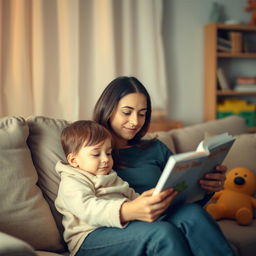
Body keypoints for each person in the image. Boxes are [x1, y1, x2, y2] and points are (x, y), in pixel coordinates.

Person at [75, 76, 234, 256]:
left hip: (158, 218)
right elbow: (81, 203)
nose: (135, 121)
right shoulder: (88, 150)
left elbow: (182, 191)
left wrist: (206, 187)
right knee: (163, 233)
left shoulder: (155, 149)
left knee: (193, 214)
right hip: (101, 230)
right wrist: (129, 210)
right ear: (107, 109)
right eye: (127, 112)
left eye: (142, 114)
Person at [55, 120, 141, 256]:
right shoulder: (71, 182)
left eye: (108, 153)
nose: (106, 159)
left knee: (168, 224)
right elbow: (90, 210)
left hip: (118, 228)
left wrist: (147, 203)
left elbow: (131, 196)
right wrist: (128, 210)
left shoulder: (111, 176)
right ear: (73, 160)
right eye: (96, 154)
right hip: (88, 238)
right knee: (160, 233)